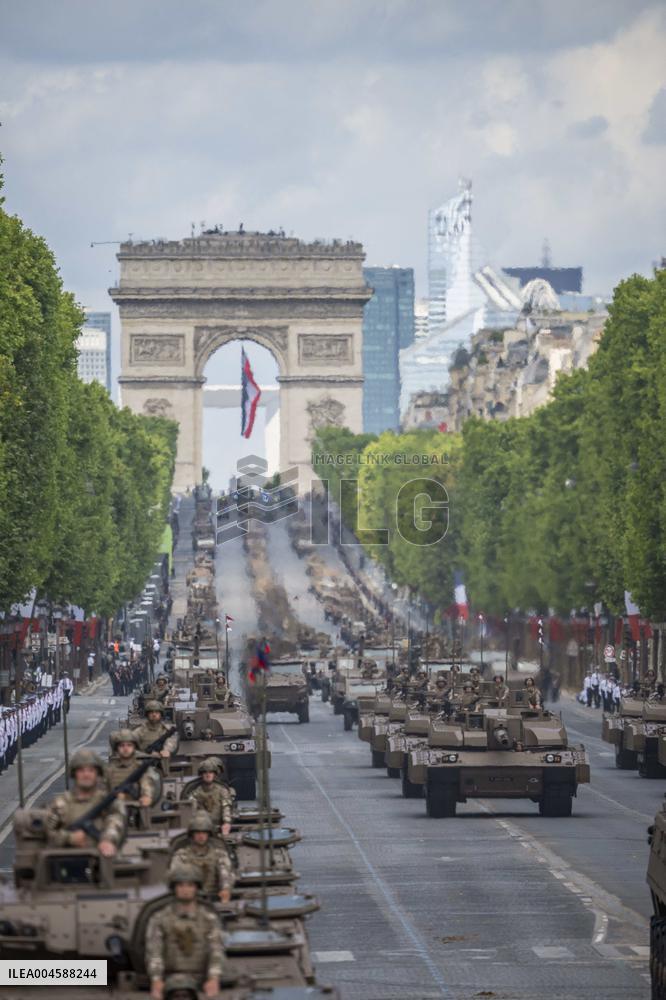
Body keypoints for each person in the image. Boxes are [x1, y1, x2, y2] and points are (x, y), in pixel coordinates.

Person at [145, 863, 224, 1000]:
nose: (185, 890)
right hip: (169, 979)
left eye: (190, 885)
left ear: (196, 888)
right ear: (174, 888)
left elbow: (216, 950)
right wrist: (156, 979)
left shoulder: (209, 919)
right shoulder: (160, 919)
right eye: (180, 885)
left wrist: (214, 977)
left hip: (201, 979)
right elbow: (154, 951)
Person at [44, 749, 125, 857]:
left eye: (91, 770)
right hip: (67, 859)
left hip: (102, 859)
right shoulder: (61, 803)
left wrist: (107, 840)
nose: (86, 775)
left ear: (98, 774)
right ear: (74, 774)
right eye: (81, 771)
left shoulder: (108, 802)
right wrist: (69, 838)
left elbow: (116, 822)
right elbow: (45, 832)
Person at [170, 813, 233, 902]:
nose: (201, 836)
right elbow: (175, 876)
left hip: (214, 896)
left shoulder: (219, 854)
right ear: (192, 834)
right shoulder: (181, 855)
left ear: (208, 834)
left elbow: (225, 873)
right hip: (189, 898)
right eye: (198, 832)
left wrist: (225, 889)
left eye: (204, 832)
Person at [107, 729, 160, 807]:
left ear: (134, 748)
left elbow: (147, 784)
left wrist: (146, 796)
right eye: (122, 745)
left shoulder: (141, 768)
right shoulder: (109, 770)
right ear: (116, 749)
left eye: (129, 745)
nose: (125, 748)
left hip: (136, 809)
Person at [187, 758, 235, 835]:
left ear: (214, 774)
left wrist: (227, 822)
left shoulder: (222, 791)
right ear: (201, 774)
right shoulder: (195, 792)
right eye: (205, 772)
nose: (208, 774)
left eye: (210, 772)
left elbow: (226, 807)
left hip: (219, 827)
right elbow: (192, 811)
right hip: (201, 828)